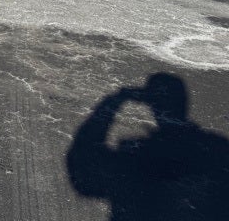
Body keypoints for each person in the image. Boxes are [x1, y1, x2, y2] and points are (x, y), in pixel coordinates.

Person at [66, 73, 229, 220]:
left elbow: (82, 164)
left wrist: (115, 101)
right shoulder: (218, 150)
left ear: (151, 105)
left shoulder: (134, 158)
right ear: (184, 102)